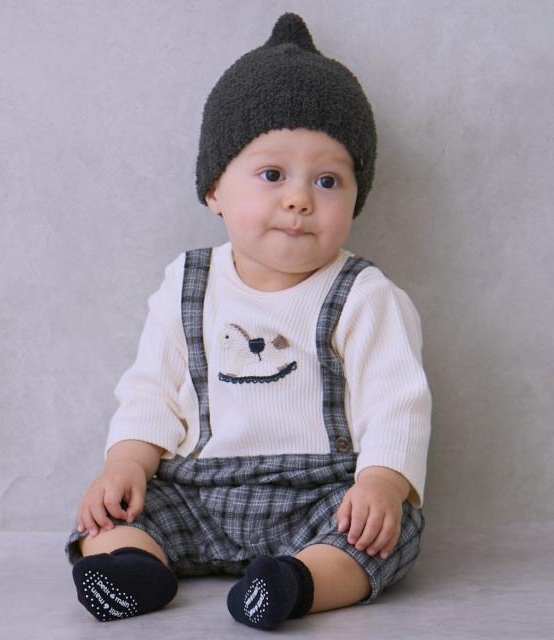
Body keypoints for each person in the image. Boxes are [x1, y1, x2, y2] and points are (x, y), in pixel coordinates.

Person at [65, 12, 432, 630]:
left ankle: (294, 584)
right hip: (198, 490)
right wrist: (125, 464)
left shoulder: (365, 295)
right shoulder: (187, 283)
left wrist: (382, 483)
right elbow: (151, 390)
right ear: (215, 189)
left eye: (328, 180)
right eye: (272, 175)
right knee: (107, 516)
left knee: (383, 533)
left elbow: (397, 403)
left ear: (356, 199)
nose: (299, 199)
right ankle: (133, 569)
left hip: (322, 493)